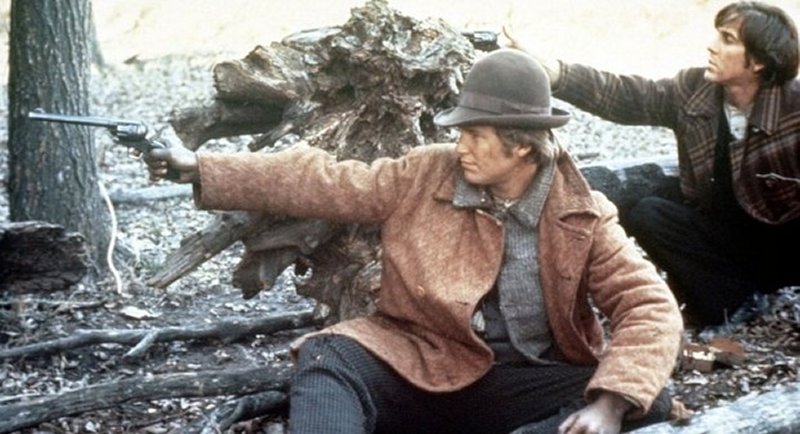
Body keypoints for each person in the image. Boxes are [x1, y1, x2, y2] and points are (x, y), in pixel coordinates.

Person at [146, 49, 683, 434]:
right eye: (460, 132)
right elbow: (324, 180)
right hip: (419, 365)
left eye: (475, 135)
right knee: (328, 355)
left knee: (643, 396)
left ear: (521, 146)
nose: (460, 146)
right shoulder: (425, 173)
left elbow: (648, 306)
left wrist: (608, 406)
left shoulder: (582, 213)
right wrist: (202, 167)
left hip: (522, 382)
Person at [515, 1, 800, 326]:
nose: (712, 46)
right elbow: (629, 96)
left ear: (759, 62)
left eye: (728, 39)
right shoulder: (695, 89)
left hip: (782, 250)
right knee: (645, 209)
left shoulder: (794, 108)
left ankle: (730, 293)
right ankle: (731, 302)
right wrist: (555, 73)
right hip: (724, 228)